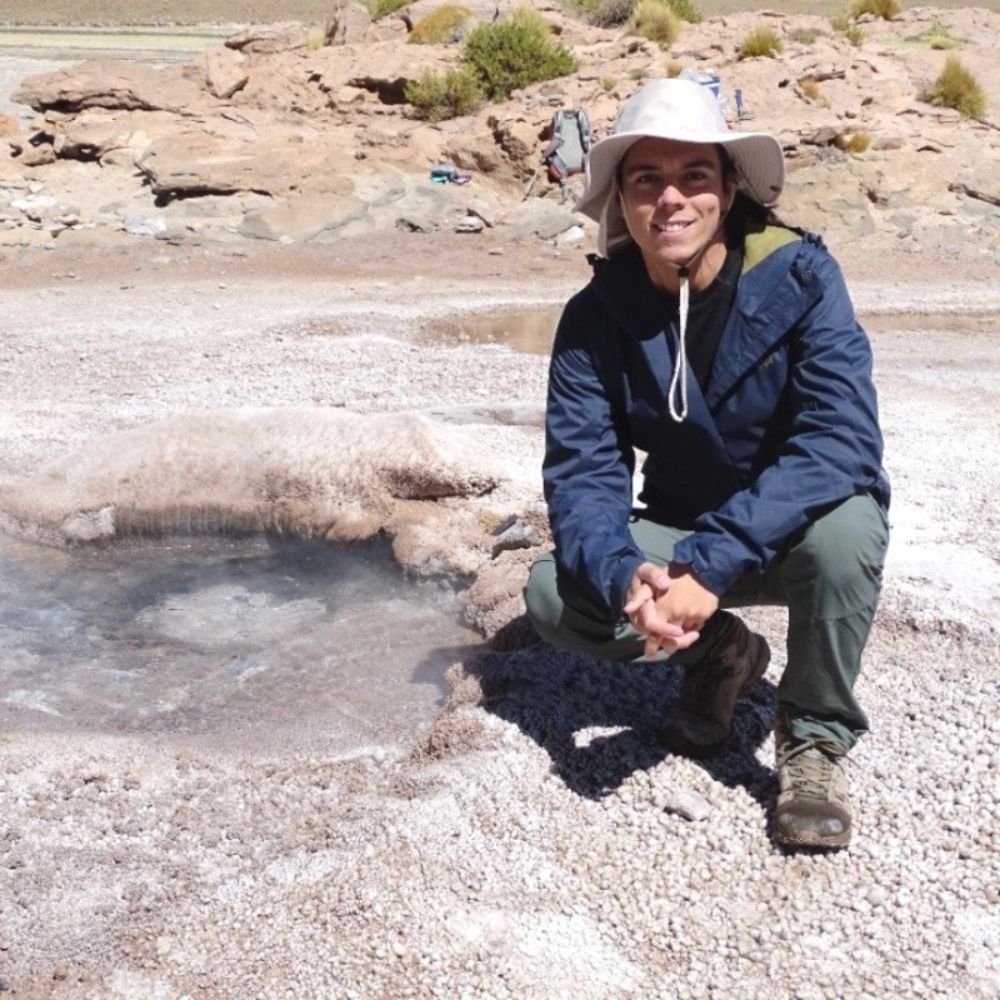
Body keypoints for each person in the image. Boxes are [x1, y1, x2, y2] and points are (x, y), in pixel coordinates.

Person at [524, 78, 890, 850]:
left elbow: (840, 443)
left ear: (729, 189)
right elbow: (585, 471)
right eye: (645, 180)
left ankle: (814, 740)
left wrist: (711, 564)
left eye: (694, 176)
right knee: (558, 597)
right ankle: (727, 655)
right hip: (680, 524)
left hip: (791, 526)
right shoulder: (596, 315)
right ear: (619, 201)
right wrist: (629, 572)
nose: (671, 199)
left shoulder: (801, 279)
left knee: (849, 530)